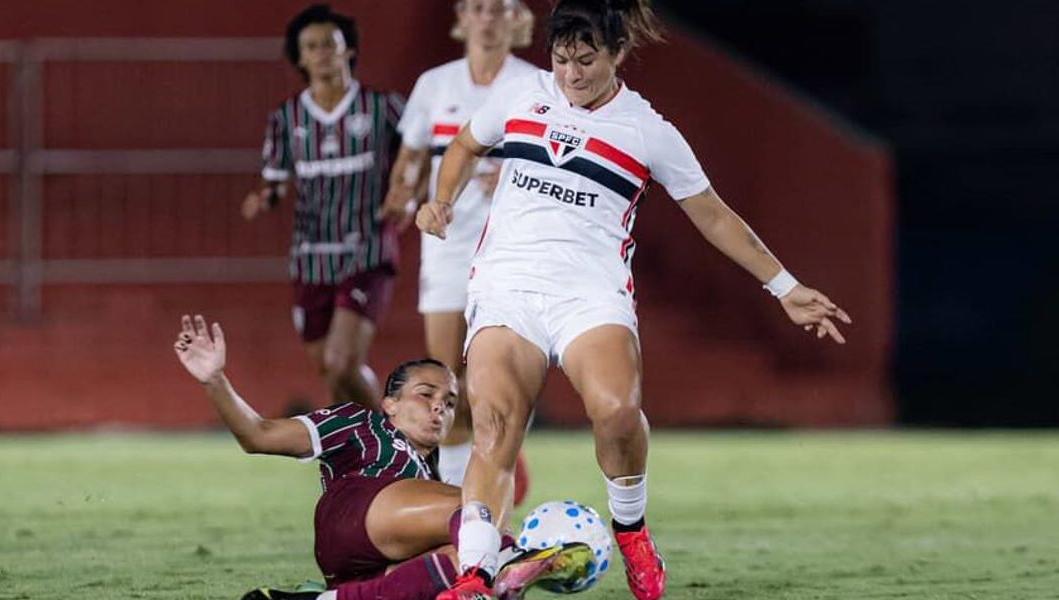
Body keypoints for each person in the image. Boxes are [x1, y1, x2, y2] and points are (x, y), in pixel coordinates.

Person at [415, 1, 854, 598]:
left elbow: (714, 217)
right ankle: (475, 572)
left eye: (587, 61)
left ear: (618, 56)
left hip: (589, 295)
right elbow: (465, 146)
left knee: (618, 411)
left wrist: (785, 286)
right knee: (494, 425)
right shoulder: (522, 96)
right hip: (506, 287)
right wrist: (442, 198)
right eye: (562, 58)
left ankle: (631, 530)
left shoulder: (648, 130)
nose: (571, 74)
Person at [172, 315, 590, 600]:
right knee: (474, 510)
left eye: (448, 403)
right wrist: (215, 379)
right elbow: (257, 435)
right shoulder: (361, 423)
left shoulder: (429, 468)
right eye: (425, 395)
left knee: (460, 560)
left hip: (362, 569)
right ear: (389, 404)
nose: (438, 409)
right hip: (351, 513)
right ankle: (510, 553)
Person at [380, 0, 538, 495]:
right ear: (462, 18)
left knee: (495, 381)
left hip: (511, 246)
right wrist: (399, 199)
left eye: (499, 8)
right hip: (446, 244)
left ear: (518, 18)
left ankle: (495, 472)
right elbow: (409, 158)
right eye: (477, 7)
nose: (487, 17)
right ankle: (453, 498)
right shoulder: (436, 83)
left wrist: (514, 176)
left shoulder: (535, 83)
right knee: (446, 379)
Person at [242, 4, 404, 409]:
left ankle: (401, 447)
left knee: (341, 360)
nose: (322, 53)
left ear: (348, 49)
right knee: (332, 372)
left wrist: (410, 194)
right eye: (311, 46)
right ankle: (356, 462)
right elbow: (276, 178)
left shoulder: (382, 109)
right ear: (299, 57)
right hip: (311, 256)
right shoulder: (288, 118)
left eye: (330, 44)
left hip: (367, 249)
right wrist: (265, 196)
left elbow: (416, 160)